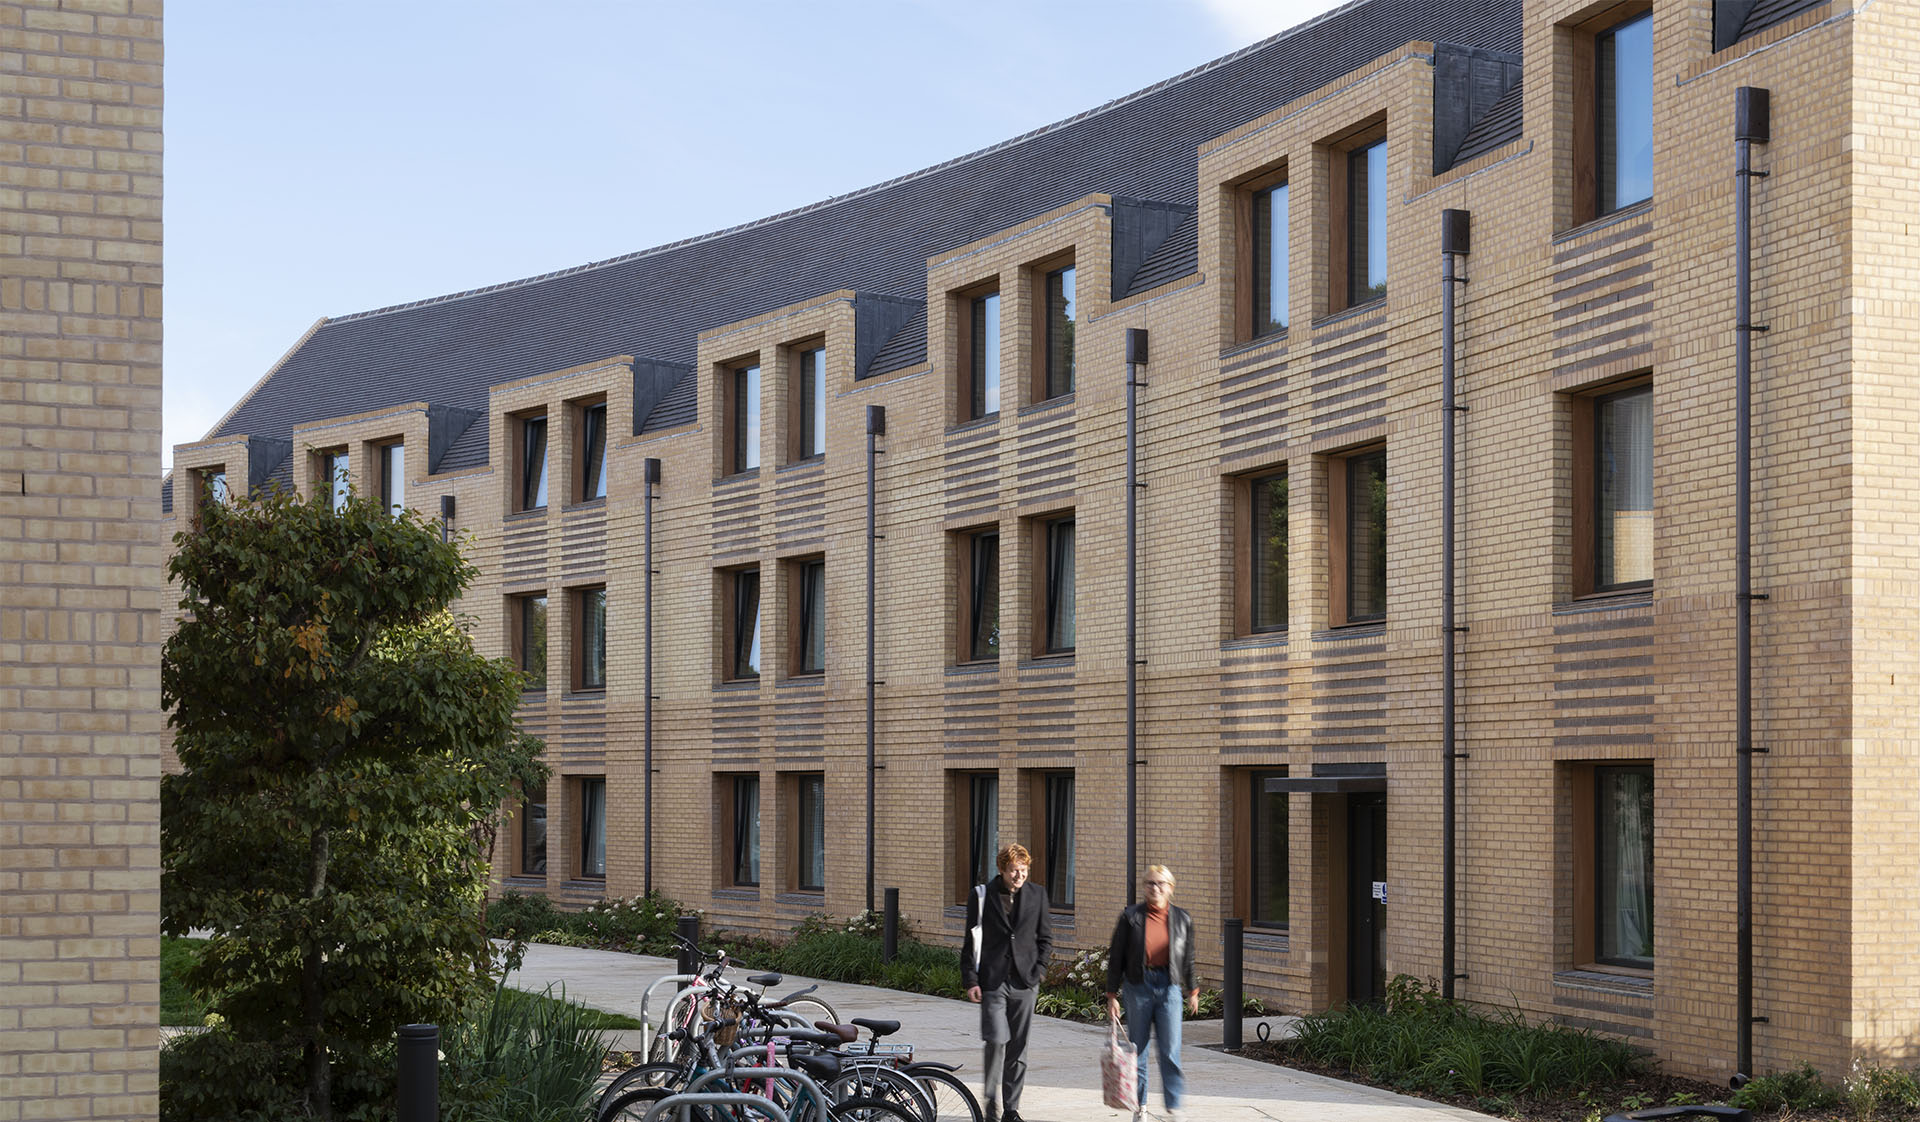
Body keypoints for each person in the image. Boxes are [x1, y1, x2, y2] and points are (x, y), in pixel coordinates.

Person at [962, 842, 1052, 1122]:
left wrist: (1040, 970)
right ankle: (991, 1103)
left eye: (1023, 871)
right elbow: (970, 941)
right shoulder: (982, 895)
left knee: (1018, 1047)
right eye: (1014, 871)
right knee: (996, 1040)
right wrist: (971, 980)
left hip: (1025, 982)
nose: (1019, 876)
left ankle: (1011, 1109)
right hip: (992, 981)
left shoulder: (1037, 894)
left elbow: (1045, 938)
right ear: (1002, 869)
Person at [1105, 864, 1199, 1122]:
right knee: (1139, 1049)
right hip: (1138, 986)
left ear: (1170, 888)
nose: (1155, 888)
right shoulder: (1130, 916)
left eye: (1160, 883)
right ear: (1144, 887)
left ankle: (1174, 1106)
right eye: (1150, 883)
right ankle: (1141, 1106)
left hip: (1169, 987)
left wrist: (1193, 990)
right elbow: (1116, 957)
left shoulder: (1183, 918)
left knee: (1170, 1050)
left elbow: (1188, 958)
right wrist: (1111, 995)